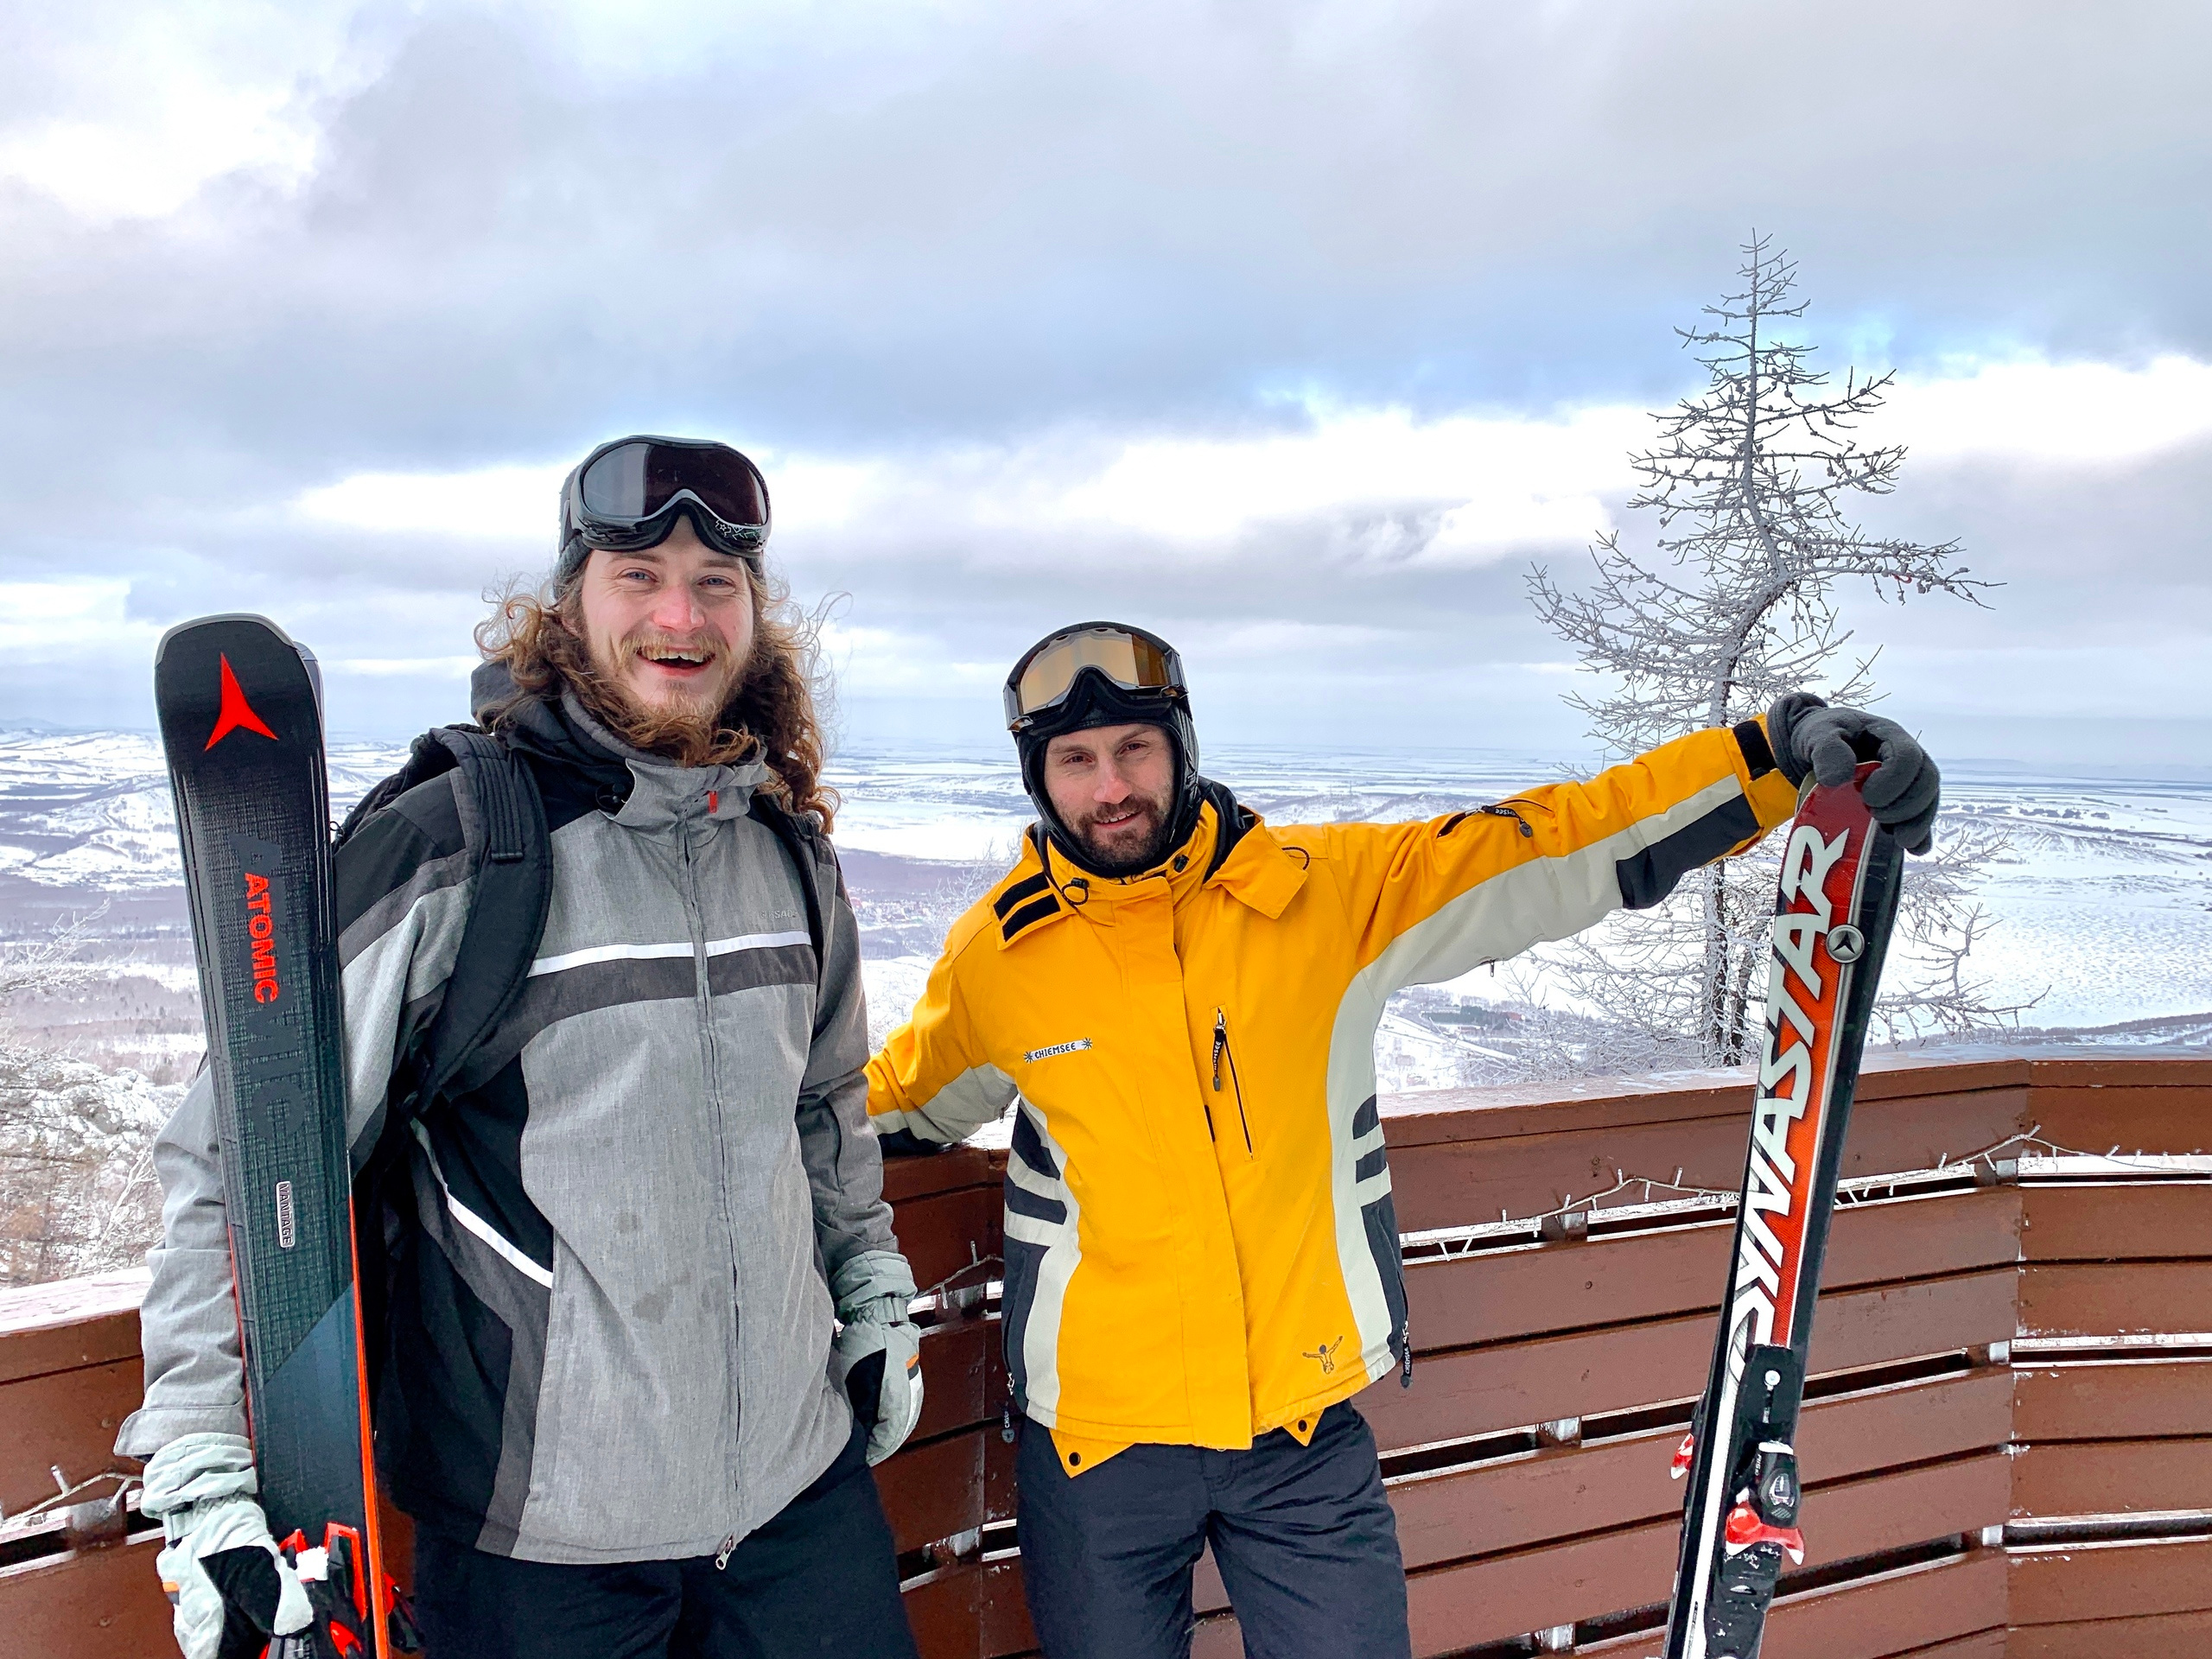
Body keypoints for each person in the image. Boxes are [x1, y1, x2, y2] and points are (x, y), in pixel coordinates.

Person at [865, 620, 1941, 1659]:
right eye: (1077, 759)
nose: (1111, 788)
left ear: (1180, 748)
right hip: (1096, 1451)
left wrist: (1769, 756)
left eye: (1135, 748)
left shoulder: (1320, 896)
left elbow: (1550, 845)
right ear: (1037, 777)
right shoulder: (1001, 959)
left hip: (1300, 1436)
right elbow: (899, 1105)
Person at [123, 435, 924, 1659]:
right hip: (539, 1548)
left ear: (756, 617)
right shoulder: (460, 844)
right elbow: (249, 1155)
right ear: (568, 606)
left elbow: (822, 1108)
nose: (681, 612)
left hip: (795, 1505)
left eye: (718, 582)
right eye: (639, 574)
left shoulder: (785, 853)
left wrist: (867, 1290)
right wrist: (201, 1460)